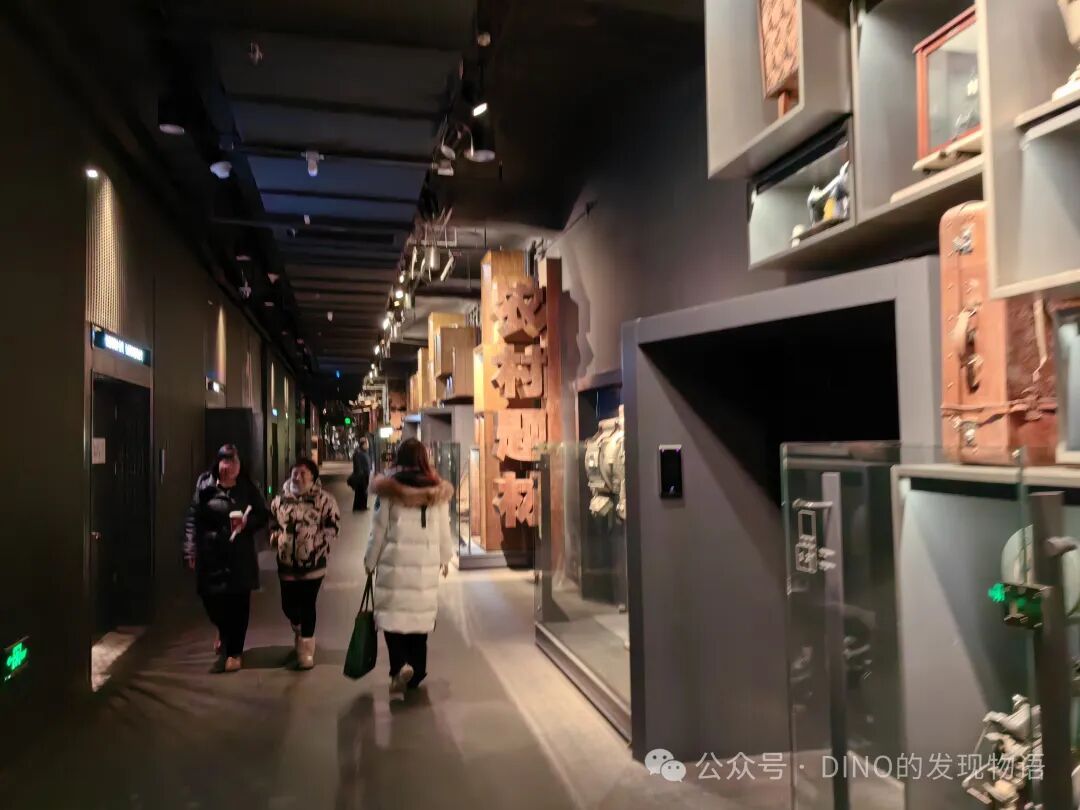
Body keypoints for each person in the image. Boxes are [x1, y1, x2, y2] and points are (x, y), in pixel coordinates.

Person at [364, 439, 455, 694]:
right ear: (424, 458)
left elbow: (378, 530)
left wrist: (370, 561)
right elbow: (444, 529)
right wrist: (445, 558)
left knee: (392, 621)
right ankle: (417, 670)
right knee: (419, 620)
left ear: (398, 457)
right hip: (424, 565)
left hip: (395, 564)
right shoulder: (437, 490)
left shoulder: (388, 490)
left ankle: (399, 668)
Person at [184, 445, 269, 672]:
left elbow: (262, 515)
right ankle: (224, 631)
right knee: (212, 601)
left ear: (239, 466)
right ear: (218, 464)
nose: (228, 467)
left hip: (240, 555)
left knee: (239, 604)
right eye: (224, 462)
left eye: (232, 463)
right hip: (211, 554)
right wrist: (190, 549)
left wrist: (247, 523)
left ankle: (234, 652)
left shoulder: (247, 487)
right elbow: (193, 517)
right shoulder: (205, 485)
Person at [268, 458, 341, 669]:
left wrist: (318, 543)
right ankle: (298, 627)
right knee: (288, 605)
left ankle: (306, 650)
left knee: (308, 603)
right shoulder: (280, 500)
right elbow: (273, 522)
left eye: (303, 473)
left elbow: (333, 526)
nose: (297, 476)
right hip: (286, 562)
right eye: (295, 472)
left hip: (314, 562)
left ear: (313, 477)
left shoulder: (324, 500)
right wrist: (276, 537)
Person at [349, 438, 372, 512]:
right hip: (361, 476)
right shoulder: (358, 453)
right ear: (363, 444)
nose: (368, 445)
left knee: (363, 491)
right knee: (360, 491)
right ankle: (359, 507)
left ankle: (362, 506)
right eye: (367, 444)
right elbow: (358, 465)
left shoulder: (364, 452)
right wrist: (360, 474)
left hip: (365, 475)